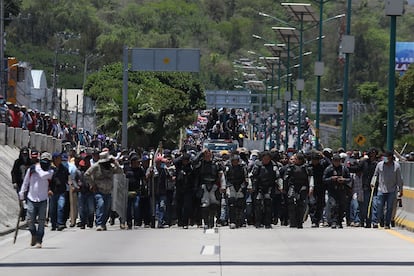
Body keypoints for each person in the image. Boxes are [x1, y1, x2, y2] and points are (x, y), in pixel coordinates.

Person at [19, 152, 54, 248]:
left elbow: (43, 176)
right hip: (31, 198)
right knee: (29, 220)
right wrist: (22, 193)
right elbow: (26, 182)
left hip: (43, 199)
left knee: (42, 221)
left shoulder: (50, 172)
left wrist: (37, 169)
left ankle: (39, 240)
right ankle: (33, 234)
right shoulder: (31, 170)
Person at [84, 151, 123, 231]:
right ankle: (99, 223)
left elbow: (120, 172)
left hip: (108, 191)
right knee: (101, 205)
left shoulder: (111, 167)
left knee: (107, 208)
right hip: (99, 190)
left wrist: (116, 162)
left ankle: (103, 223)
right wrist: (92, 184)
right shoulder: (96, 166)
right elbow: (86, 174)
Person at [371, 151, 403, 229]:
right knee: (379, 206)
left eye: (386, 157)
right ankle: (381, 219)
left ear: (391, 157)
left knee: (389, 208)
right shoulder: (379, 165)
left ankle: (387, 223)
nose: (384, 158)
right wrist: (372, 183)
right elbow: (375, 174)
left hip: (392, 190)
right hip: (381, 189)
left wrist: (401, 189)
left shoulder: (396, 166)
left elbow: (399, 179)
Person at [250, 151, 282, 229]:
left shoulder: (274, 165)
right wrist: (251, 186)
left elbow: (278, 176)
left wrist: (280, 186)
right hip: (259, 187)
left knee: (268, 205)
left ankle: (267, 223)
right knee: (258, 205)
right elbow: (252, 176)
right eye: (264, 158)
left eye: (268, 158)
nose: (266, 160)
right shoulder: (257, 165)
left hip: (269, 187)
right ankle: (258, 222)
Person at [284, 153, 313, 229]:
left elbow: (310, 178)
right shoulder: (291, 167)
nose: (294, 160)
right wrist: (284, 187)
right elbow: (286, 178)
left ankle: (300, 222)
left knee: (301, 204)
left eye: (296, 159)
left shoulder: (306, 168)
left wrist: (311, 187)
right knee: (291, 202)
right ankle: (292, 221)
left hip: (303, 186)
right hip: (293, 186)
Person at [323, 153, 351, 229]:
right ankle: (333, 221)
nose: (336, 162)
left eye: (338, 161)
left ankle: (339, 221)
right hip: (332, 190)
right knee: (333, 205)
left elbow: (349, 179)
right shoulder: (329, 169)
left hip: (342, 190)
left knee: (342, 206)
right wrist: (332, 179)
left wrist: (343, 180)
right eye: (335, 161)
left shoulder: (344, 169)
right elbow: (324, 179)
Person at [225, 153, 248, 229]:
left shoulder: (243, 168)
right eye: (233, 161)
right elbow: (225, 178)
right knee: (231, 205)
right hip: (231, 186)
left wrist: (243, 186)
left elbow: (246, 178)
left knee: (241, 205)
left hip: (240, 187)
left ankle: (241, 221)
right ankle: (232, 221)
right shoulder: (227, 168)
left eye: (236, 161)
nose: (235, 162)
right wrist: (227, 186)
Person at [49, 152, 70, 231]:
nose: (60, 159)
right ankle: (53, 224)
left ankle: (60, 223)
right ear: (54, 159)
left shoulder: (63, 168)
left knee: (61, 207)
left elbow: (67, 177)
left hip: (62, 191)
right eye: (58, 158)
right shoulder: (50, 168)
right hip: (53, 191)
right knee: (53, 209)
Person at [11, 147, 32, 221]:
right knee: (21, 199)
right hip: (20, 183)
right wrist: (14, 182)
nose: (25, 156)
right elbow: (13, 172)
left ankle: (28, 214)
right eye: (23, 154)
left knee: (28, 199)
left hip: (29, 184)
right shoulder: (17, 162)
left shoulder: (30, 162)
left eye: (26, 154)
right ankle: (22, 214)